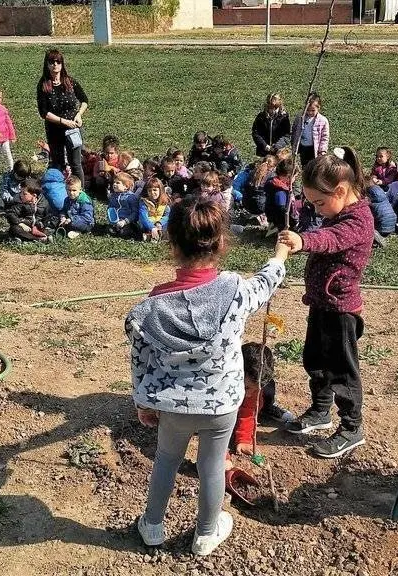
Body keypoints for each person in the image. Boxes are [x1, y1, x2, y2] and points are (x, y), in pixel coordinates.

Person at [127, 194, 289, 556]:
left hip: (172, 406)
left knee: (166, 460)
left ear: (171, 244)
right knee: (212, 465)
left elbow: (140, 362)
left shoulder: (148, 309)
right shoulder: (235, 291)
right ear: (221, 242)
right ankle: (206, 533)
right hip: (221, 405)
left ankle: (152, 526)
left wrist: (143, 402)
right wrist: (279, 255)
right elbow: (264, 284)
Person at [277, 147, 374, 459]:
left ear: (341, 190)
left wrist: (303, 241)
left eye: (320, 202)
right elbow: (326, 233)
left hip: (341, 310)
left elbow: (331, 240)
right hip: (322, 303)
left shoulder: (358, 220)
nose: (317, 210)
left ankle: (351, 428)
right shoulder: (339, 212)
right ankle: (321, 411)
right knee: (315, 359)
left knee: (343, 371)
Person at [231, 342, 296, 458]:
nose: (248, 394)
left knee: (267, 392)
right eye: (245, 387)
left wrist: (244, 439)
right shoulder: (225, 381)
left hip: (258, 399)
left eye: (255, 389)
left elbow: (248, 412)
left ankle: (267, 408)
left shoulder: (255, 388)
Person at [36, 49, 88, 184]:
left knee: (75, 163)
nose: (55, 65)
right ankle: (59, 190)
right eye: (51, 62)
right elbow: (44, 112)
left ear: (62, 64)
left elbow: (84, 100)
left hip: (73, 129)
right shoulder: (43, 85)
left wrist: (79, 115)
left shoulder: (70, 81)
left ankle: (80, 193)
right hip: (55, 130)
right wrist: (63, 121)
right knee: (58, 163)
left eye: (58, 62)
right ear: (46, 64)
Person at [291, 93, 330, 167]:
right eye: (308, 110)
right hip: (303, 147)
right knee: (305, 166)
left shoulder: (323, 121)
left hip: (314, 149)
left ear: (319, 108)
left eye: (313, 110)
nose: (310, 113)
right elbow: (294, 130)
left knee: (314, 166)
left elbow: (324, 137)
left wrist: (322, 150)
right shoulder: (300, 117)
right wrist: (294, 144)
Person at [5, 178, 49, 243]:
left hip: (37, 228)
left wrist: (39, 225)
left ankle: (21, 239)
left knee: (49, 230)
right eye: (21, 192)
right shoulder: (19, 201)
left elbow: (47, 217)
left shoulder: (44, 203)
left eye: (24, 194)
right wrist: (20, 223)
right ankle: (37, 239)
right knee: (14, 229)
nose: (21, 195)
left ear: (34, 195)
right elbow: (10, 214)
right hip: (24, 227)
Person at [251, 93, 291, 157]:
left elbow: (286, 135)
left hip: (279, 152)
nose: (273, 110)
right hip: (263, 151)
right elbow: (256, 133)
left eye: (275, 108)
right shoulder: (261, 117)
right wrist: (264, 145)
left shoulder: (284, 118)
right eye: (271, 107)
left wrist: (277, 146)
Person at [264, 159, 294, 236]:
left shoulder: (273, 181)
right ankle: (277, 230)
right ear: (288, 176)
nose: (295, 179)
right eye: (295, 176)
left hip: (271, 214)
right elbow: (282, 210)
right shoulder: (280, 190)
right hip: (279, 220)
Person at [107, 171, 140, 238]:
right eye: (114, 182)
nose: (114, 184)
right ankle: (116, 228)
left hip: (128, 221)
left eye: (118, 183)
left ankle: (132, 229)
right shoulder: (113, 196)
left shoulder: (131, 197)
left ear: (126, 187)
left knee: (123, 233)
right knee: (109, 231)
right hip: (116, 220)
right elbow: (111, 208)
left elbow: (135, 212)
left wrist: (125, 221)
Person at [138, 177, 170, 242]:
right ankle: (152, 236)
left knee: (167, 227)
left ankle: (152, 237)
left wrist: (159, 223)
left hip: (159, 224)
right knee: (142, 227)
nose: (152, 193)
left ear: (160, 190)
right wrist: (152, 227)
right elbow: (143, 217)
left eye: (155, 190)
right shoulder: (144, 202)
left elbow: (167, 215)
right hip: (148, 224)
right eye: (149, 190)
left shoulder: (165, 202)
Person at [366, 183, 396, 248]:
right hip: (392, 227)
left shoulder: (371, 204)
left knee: (366, 224)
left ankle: (376, 235)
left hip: (382, 228)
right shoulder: (385, 199)